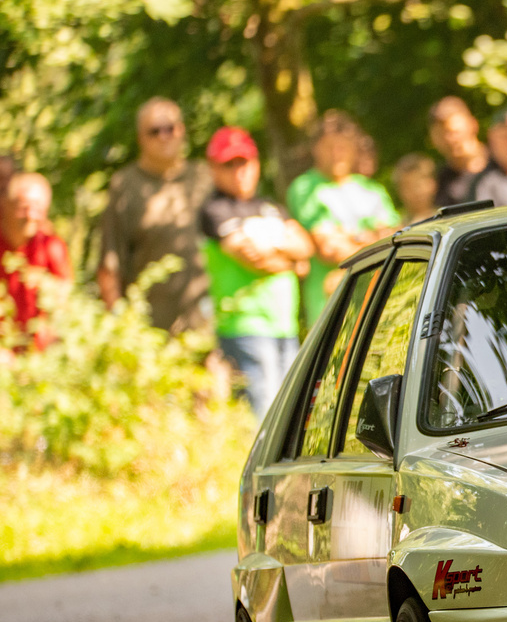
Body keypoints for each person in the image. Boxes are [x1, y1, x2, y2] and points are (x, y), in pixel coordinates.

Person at [198, 127, 314, 417]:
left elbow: (306, 246)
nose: (239, 171)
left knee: (291, 415)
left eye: (244, 161)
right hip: (244, 327)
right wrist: (290, 262)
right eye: (229, 164)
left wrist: (283, 253)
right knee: (264, 418)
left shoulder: (270, 206)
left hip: (283, 326)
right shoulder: (215, 209)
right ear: (213, 168)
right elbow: (252, 258)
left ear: (257, 163)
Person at [95, 98, 214, 334]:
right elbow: (110, 263)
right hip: (151, 332)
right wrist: (120, 327)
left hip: (211, 327)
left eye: (170, 128)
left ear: (182, 131)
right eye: (154, 131)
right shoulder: (125, 185)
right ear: (141, 138)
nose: (164, 136)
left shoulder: (204, 178)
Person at [286, 110, 398, 329]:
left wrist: (348, 238)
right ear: (315, 149)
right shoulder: (305, 188)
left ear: (354, 149)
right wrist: (370, 237)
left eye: (343, 146)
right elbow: (330, 250)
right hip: (331, 312)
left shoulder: (372, 190)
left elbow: (396, 243)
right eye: (329, 147)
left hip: (379, 307)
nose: (337, 153)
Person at [0, 173, 71, 351]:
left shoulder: (51, 246)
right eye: (24, 207)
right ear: (6, 205)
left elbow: (62, 298)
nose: (31, 215)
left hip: (38, 357)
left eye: (38, 208)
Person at [428, 97, 488, 206]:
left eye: (454, 132)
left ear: (473, 125)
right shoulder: (438, 183)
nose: (449, 140)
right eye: (441, 135)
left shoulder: (503, 166)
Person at [392, 153, 440, 223]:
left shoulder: (449, 218)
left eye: (418, 185)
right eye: (408, 188)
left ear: (432, 184)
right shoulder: (395, 224)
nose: (415, 192)